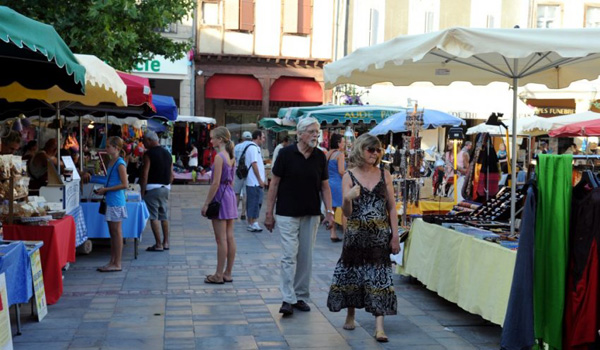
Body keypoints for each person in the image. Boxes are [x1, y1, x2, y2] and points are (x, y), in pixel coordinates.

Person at [326, 133, 400, 343]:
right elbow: (347, 213)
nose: (375, 154)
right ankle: (351, 313)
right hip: (356, 235)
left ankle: (379, 326)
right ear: (361, 150)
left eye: (377, 150)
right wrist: (347, 199)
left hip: (379, 236)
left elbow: (392, 208)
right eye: (370, 150)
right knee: (353, 275)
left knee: (380, 278)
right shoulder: (349, 175)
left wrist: (395, 235)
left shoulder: (385, 174)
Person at [264, 117, 334, 316]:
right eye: (312, 131)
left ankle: (301, 295)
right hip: (286, 212)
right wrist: (269, 213)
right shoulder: (286, 154)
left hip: (311, 213)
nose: (316, 135)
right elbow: (274, 184)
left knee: (306, 256)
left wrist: (329, 212)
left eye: (317, 132)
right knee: (288, 255)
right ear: (301, 133)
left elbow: (325, 186)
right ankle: (288, 297)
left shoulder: (320, 156)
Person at [201, 127, 238, 284]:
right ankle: (227, 273)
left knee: (220, 239)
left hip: (220, 197)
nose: (211, 141)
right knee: (229, 236)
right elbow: (232, 180)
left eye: (213, 138)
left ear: (220, 139)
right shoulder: (231, 156)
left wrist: (206, 203)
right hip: (230, 195)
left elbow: (215, 183)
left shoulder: (218, 157)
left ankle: (218, 274)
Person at [88, 136, 128, 272]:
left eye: (108, 146)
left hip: (116, 200)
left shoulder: (120, 163)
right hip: (112, 200)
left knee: (116, 232)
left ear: (116, 148)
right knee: (113, 232)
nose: (106, 149)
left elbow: (124, 184)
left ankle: (117, 263)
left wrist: (106, 189)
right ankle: (113, 260)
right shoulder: (112, 162)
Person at [140, 130, 174, 252]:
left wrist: (142, 191)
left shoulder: (148, 154)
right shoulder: (167, 153)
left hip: (152, 188)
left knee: (153, 217)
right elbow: (172, 175)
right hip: (165, 188)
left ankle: (158, 244)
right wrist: (168, 185)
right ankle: (166, 242)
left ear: (149, 140)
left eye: (144, 141)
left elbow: (145, 173)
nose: (143, 143)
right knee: (163, 216)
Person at [326, 133, 346, 242]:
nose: (344, 144)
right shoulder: (340, 154)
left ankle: (332, 234)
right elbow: (341, 171)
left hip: (329, 183)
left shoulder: (328, 154)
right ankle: (346, 232)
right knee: (345, 209)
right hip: (338, 183)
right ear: (338, 143)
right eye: (343, 142)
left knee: (331, 209)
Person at [245, 130, 266, 232]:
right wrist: (260, 180)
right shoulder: (253, 148)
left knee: (256, 202)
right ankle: (252, 223)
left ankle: (253, 222)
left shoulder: (255, 148)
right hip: (254, 182)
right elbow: (254, 164)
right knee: (254, 202)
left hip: (255, 182)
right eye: (263, 137)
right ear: (257, 137)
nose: (264, 139)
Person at [233, 131, 253, 220]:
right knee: (245, 194)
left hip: (238, 172)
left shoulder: (237, 146)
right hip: (249, 173)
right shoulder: (253, 147)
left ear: (243, 138)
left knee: (236, 193)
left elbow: (233, 160)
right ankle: (243, 213)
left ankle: (234, 213)